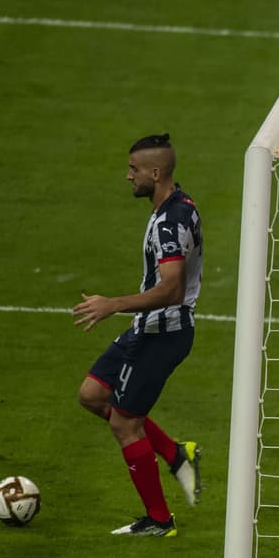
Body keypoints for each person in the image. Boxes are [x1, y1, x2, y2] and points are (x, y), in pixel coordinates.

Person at [74, 133, 204, 536]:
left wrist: (112, 304)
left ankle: (160, 521)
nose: (127, 176)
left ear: (155, 172)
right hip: (146, 328)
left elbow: (172, 288)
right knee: (93, 395)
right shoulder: (175, 206)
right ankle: (175, 453)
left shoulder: (170, 220)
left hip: (162, 334)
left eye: (133, 169)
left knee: (124, 424)